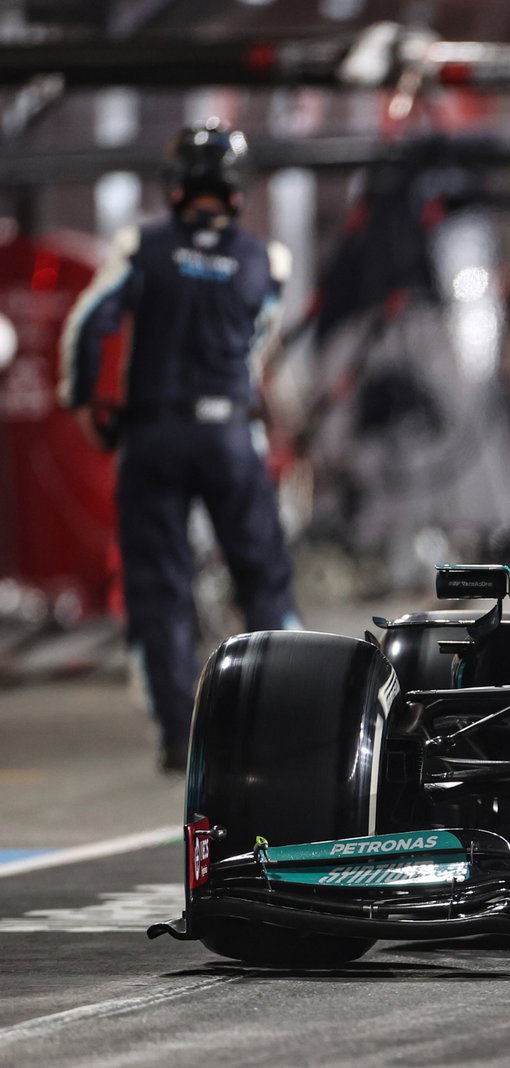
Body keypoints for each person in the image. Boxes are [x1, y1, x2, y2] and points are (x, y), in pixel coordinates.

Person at [58, 118, 300, 773]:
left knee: (157, 588)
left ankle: (176, 734)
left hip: (154, 433)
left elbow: (86, 327)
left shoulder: (142, 245)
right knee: (263, 579)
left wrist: (82, 403)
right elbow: (256, 346)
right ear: (236, 188)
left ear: (175, 184)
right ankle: (289, 721)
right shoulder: (268, 260)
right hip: (228, 433)